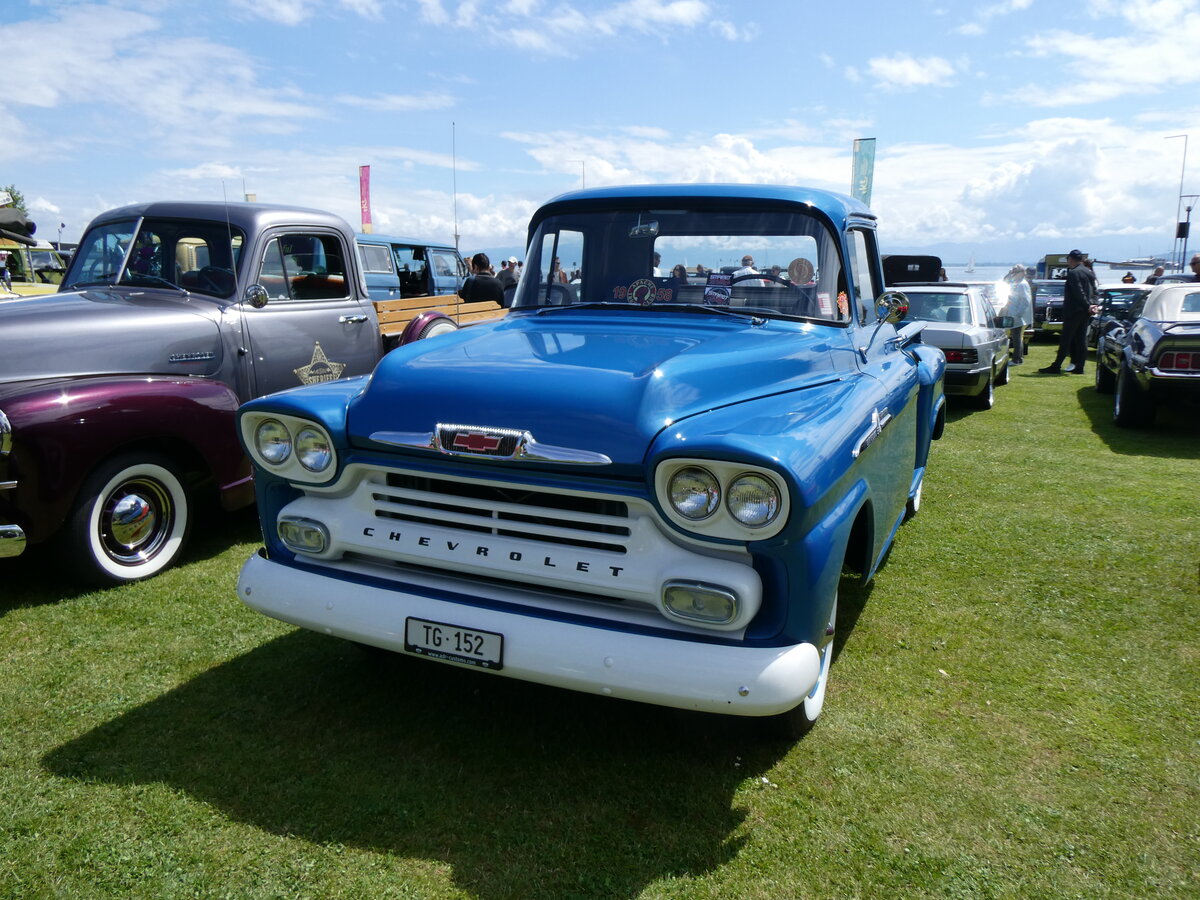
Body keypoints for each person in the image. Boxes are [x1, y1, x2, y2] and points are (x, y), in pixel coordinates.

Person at [1039, 249, 1091, 375]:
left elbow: (1078, 292)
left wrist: (1087, 304)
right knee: (1081, 339)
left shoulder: (1073, 273)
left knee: (1066, 339)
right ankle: (1080, 366)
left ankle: (1056, 365)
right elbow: (1093, 290)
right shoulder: (1088, 272)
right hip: (1085, 312)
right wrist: (1092, 305)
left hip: (1074, 311)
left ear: (1071, 259)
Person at [1003, 265, 1033, 365]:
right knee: (1016, 337)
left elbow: (1025, 301)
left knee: (1017, 337)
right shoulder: (1018, 283)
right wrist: (1009, 273)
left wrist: (1017, 314)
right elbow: (1005, 280)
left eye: (1015, 273)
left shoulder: (1022, 284)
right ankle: (1017, 358)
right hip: (1014, 314)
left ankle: (1017, 359)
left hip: (1017, 316)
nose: (1013, 275)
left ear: (1021, 273)